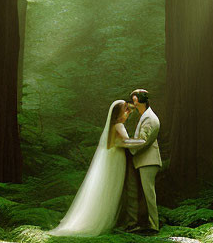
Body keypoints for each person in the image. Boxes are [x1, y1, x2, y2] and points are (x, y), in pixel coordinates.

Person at [50, 100, 145, 236]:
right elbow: (126, 142)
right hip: (117, 159)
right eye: (126, 110)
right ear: (120, 113)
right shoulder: (119, 125)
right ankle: (107, 219)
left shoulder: (112, 125)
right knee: (112, 188)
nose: (127, 113)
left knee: (106, 188)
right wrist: (142, 141)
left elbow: (114, 142)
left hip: (112, 157)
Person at [125, 88, 162, 234]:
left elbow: (143, 140)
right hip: (145, 160)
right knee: (145, 193)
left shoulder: (149, 118)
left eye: (134, 99)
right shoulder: (145, 116)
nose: (132, 103)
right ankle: (148, 224)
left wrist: (126, 145)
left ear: (138, 100)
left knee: (149, 194)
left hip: (149, 160)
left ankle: (153, 226)